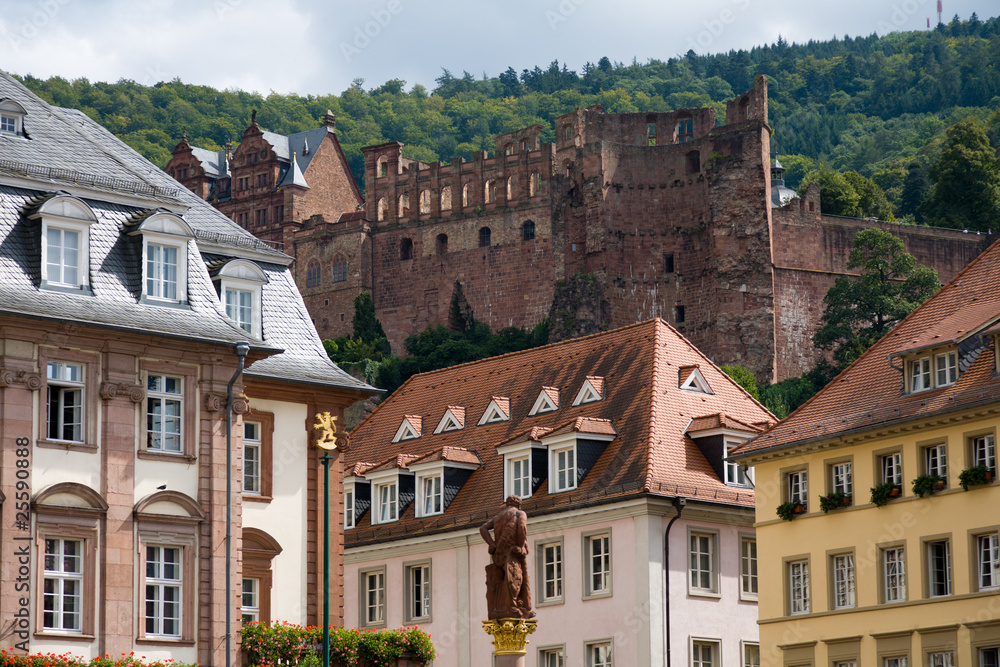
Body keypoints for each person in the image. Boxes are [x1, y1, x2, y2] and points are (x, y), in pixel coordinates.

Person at [480, 495, 534, 619]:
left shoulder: (497, 517)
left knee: (501, 581)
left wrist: (492, 544)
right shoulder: (520, 513)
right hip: (512, 552)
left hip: (498, 555)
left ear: (507, 504)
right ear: (519, 504)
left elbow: (483, 529)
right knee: (515, 578)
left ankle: (502, 607)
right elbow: (522, 528)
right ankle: (513, 606)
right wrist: (521, 546)